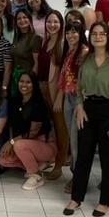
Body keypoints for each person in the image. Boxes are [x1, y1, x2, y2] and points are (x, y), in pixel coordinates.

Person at [65, 22, 109, 217]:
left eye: (102, 33)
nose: (98, 36)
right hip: (88, 111)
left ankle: (104, 201)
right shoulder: (86, 60)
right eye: (94, 33)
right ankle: (76, 198)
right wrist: (79, 105)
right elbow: (79, 87)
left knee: (107, 159)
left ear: (108, 37)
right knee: (83, 156)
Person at [0, 72, 54, 190]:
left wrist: (12, 142)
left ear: (34, 84)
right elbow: (11, 126)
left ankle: (36, 175)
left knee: (19, 145)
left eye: (28, 82)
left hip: (43, 143)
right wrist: (10, 142)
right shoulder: (15, 100)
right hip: (22, 142)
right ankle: (37, 165)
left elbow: (33, 133)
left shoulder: (38, 103)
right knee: (3, 159)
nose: (24, 85)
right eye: (21, 81)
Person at [55, 22, 89, 192]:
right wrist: (60, 96)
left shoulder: (84, 51)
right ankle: (76, 175)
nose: (70, 35)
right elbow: (64, 75)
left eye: (74, 32)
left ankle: (79, 179)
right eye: (68, 32)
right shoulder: (69, 50)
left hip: (78, 100)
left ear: (81, 33)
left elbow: (85, 79)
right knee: (72, 139)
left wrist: (81, 103)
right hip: (68, 97)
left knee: (76, 142)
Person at [37, 11, 68, 181]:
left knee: (61, 130)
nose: (52, 25)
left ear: (61, 24)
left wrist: (59, 97)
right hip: (43, 89)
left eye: (55, 22)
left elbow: (65, 74)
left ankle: (59, 165)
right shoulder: (46, 41)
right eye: (49, 22)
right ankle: (52, 159)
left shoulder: (62, 44)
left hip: (56, 92)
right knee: (52, 128)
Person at [10, 10, 40, 97]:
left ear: (30, 20)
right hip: (15, 78)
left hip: (27, 80)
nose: (22, 20)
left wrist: (31, 80)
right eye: (19, 18)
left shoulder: (35, 38)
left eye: (24, 17)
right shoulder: (16, 37)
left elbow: (37, 63)